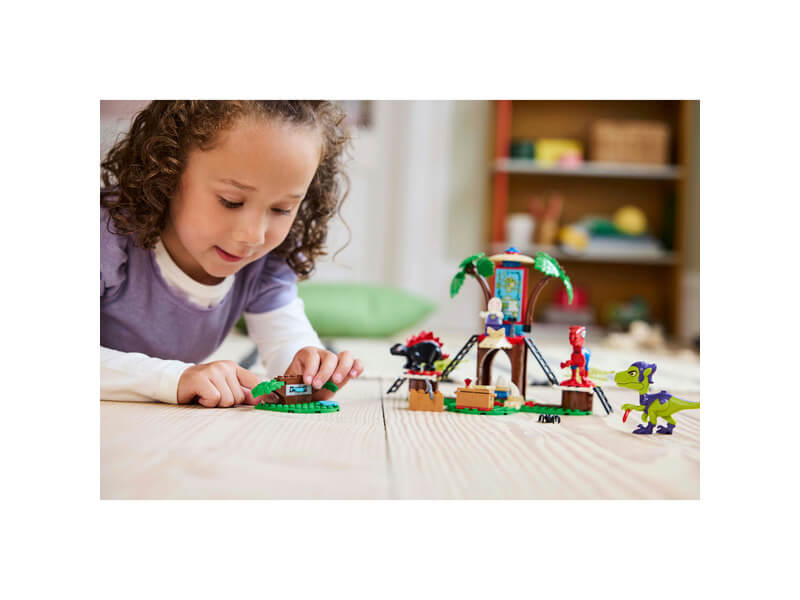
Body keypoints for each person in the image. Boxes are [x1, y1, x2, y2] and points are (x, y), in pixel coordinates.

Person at [100, 101, 363, 408]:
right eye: (231, 201)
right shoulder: (106, 234)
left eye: (282, 209)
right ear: (167, 170)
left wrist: (308, 373)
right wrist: (175, 379)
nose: (253, 236)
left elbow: (285, 340)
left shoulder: (266, 264)